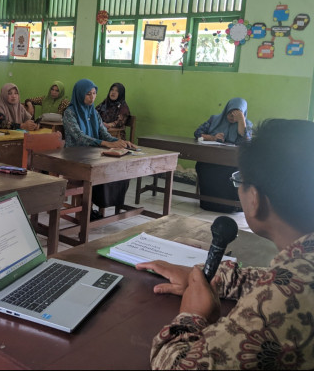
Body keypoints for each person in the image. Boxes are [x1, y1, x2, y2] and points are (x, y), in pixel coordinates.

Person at [136, 118, 314, 370]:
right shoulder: (300, 269)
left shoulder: (282, 301)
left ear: (255, 199)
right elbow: (283, 277)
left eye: (240, 179)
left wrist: (191, 316)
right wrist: (206, 276)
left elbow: (180, 366)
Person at [63, 78, 136, 218]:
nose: (92, 97)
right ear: (79, 94)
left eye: (94, 93)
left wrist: (122, 142)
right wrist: (105, 144)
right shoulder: (70, 112)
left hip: (93, 154)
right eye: (88, 94)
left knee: (117, 169)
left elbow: (105, 134)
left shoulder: (94, 113)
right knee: (100, 171)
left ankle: (100, 205)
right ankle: (87, 211)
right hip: (74, 157)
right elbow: (79, 137)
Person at [194, 97, 253, 213]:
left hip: (233, 162)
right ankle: (208, 202)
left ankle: (230, 206)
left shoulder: (247, 124)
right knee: (202, 166)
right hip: (211, 159)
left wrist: (241, 121)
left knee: (236, 172)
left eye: (236, 115)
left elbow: (247, 142)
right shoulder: (215, 119)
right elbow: (197, 133)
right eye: (230, 114)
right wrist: (212, 137)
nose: (232, 117)